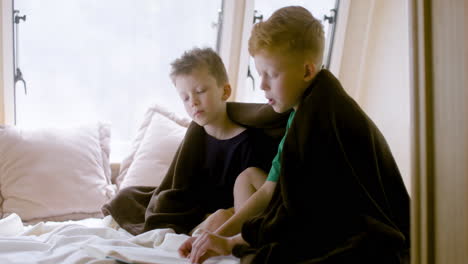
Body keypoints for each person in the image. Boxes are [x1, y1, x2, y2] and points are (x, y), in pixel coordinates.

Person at [178, 6, 410, 264]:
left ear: (307, 71)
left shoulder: (324, 116)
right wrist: (215, 238)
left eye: (272, 75)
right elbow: (268, 191)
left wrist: (232, 243)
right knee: (247, 180)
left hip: (367, 228)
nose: (263, 84)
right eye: (259, 74)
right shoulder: (298, 113)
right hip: (328, 215)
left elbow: (308, 215)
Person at [101, 47, 277, 236]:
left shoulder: (249, 142)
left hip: (223, 212)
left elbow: (250, 202)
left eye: (200, 91)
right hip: (193, 209)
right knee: (127, 197)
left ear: (225, 91)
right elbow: (179, 187)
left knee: (219, 219)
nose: (193, 102)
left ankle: (195, 234)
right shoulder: (196, 132)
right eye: (185, 98)